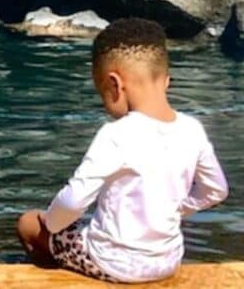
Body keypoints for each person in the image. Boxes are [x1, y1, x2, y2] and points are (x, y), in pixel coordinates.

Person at [16, 18, 229, 283]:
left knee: (29, 223)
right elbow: (216, 189)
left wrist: (50, 225)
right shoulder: (192, 129)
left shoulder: (115, 134)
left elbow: (72, 201)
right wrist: (178, 209)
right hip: (168, 261)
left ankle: (56, 274)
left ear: (115, 85)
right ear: (167, 81)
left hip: (112, 264)